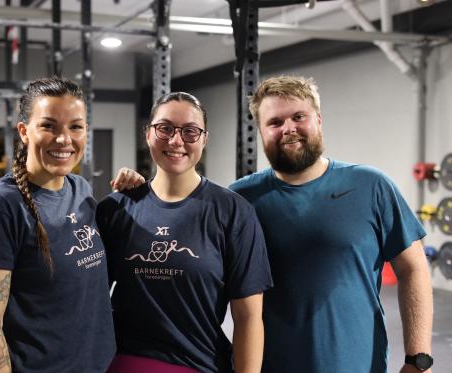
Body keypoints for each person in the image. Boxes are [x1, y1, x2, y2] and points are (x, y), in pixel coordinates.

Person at [229, 75, 433, 373]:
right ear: (260, 130)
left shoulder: (371, 186)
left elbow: (413, 268)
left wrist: (419, 359)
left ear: (318, 120)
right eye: (274, 122)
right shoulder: (240, 199)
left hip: (359, 366)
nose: (289, 129)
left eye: (299, 116)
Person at [0, 77, 144, 373]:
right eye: (48, 125)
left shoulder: (80, 189)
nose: (64, 139)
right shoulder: (0, 208)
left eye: (75, 127)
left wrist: (134, 197)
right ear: (24, 132)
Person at [96, 92, 273, 373]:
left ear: (204, 139)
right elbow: (88, 300)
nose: (176, 141)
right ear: (148, 133)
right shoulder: (115, 210)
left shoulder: (233, 212)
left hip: (198, 364)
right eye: (165, 128)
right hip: (124, 362)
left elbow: (248, 317)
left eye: (190, 131)